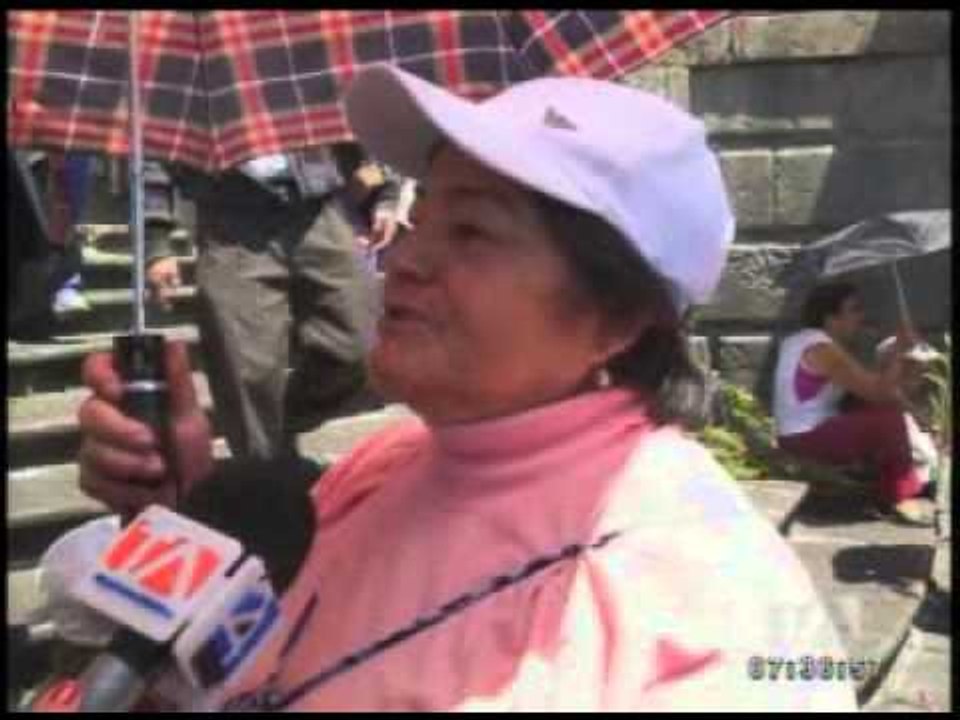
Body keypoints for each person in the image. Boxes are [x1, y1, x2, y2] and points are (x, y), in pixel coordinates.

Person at [76, 66, 856, 711]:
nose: (403, 260)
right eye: (421, 218)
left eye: (474, 231)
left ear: (620, 319)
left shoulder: (710, 603)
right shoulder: (377, 468)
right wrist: (183, 515)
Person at [140, 144, 404, 460]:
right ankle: (265, 468)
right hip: (231, 216)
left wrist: (384, 196)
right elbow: (154, 151)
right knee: (246, 368)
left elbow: (357, 128)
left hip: (316, 210)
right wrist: (156, 241)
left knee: (365, 345)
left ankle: (280, 426)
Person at [773, 281, 934, 525]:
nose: (862, 317)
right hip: (804, 439)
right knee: (887, 419)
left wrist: (916, 411)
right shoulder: (821, 348)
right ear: (831, 318)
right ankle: (901, 496)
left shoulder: (805, 340)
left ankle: (892, 484)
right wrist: (899, 353)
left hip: (810, 431)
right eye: (854, 309)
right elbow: (878, 392)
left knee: (877, 409)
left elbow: (875, 389)